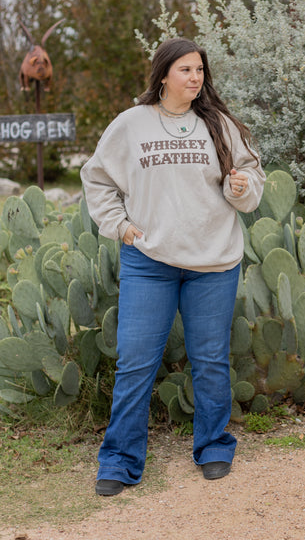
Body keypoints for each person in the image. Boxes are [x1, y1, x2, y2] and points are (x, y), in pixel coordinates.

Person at [80, 37, 266, 496]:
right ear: (163, 74)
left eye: (200, 70)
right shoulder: (131, 125)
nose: (195, 78)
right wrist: (119, 225)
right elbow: (97, 177)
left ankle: (214, 447)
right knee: (135, 364)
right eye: (185, 70)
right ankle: (120, 461)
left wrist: (242, 187)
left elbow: (250, 182)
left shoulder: (219, 124)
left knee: (209, 362)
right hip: (149, 261)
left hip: (213, 261)